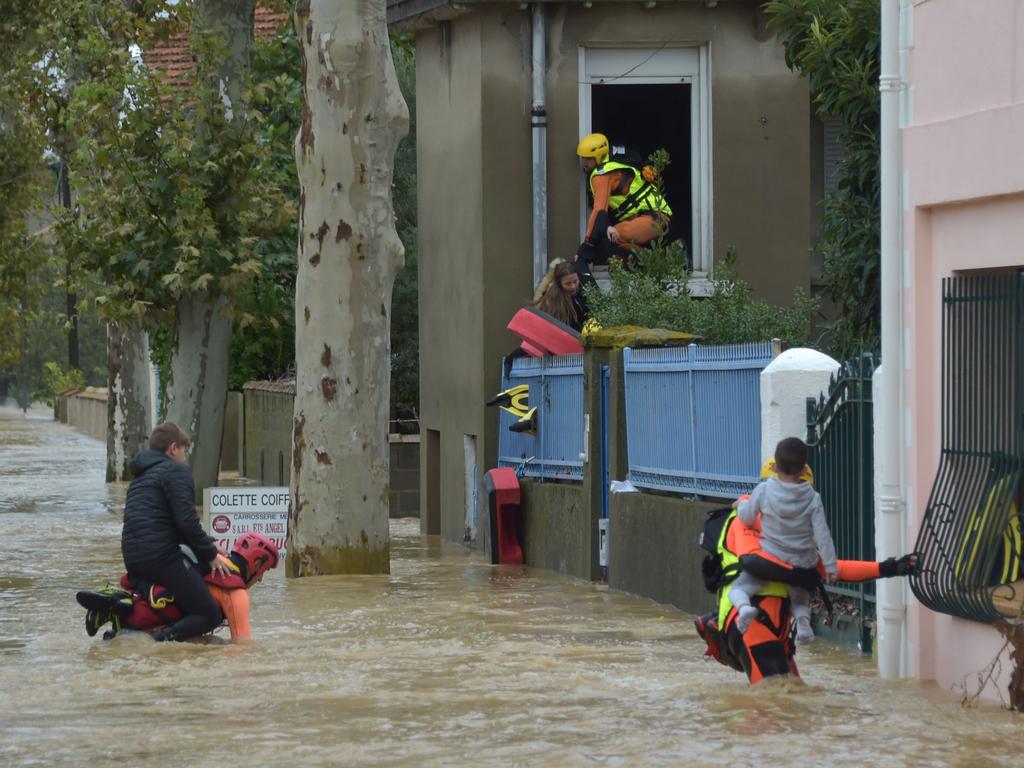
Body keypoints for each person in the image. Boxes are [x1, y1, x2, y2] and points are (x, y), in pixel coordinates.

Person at [119, 422, 234, 642]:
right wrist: (210, 555)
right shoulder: (176, 471)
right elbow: (187, 522)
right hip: (161, 557)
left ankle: (133, 624)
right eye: (185, 451)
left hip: (133, 559)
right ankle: (158, 640)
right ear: (173, 448)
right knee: (209, 614)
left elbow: (167, 523)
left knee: (183, 594)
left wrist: (208, 542)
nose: (185, 457)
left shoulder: (140, 478)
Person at [727, 437, 838, 645]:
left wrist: (741, 504)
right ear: (804, 469)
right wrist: (830, 566)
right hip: (802, 564)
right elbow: (823, 535)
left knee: (739, 589)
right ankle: (803, 624)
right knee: (799, 598)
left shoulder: (764, 490)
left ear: (775, 467)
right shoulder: (813, 498)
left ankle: (744, 609)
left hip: (772, 560)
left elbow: (747, 518)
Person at [77, 532, 280, 642]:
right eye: (264, 572)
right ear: (257, 565)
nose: (260, 579)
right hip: (148, 634)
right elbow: (242, 647)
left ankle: (117, 605)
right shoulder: (237, 595)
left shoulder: (211, 558)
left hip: (143, 591)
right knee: (213, 626)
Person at [575, 132, 672, 273]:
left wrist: (586, 247)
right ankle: (650, 262)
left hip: (655, 217)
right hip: (643, 219)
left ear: (599, 156)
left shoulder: (601, 175)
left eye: (589, 159)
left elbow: (598, 211)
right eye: (583, 158)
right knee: (612, 244)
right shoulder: (614, 164)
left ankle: (660, 259)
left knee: (614, 235)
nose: (584, 163)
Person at [533, 258, 588, 332]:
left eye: (575, 281)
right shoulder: (552, 302)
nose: (573, 286)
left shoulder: (583, 294)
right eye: (567, 284)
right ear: (559, 284)